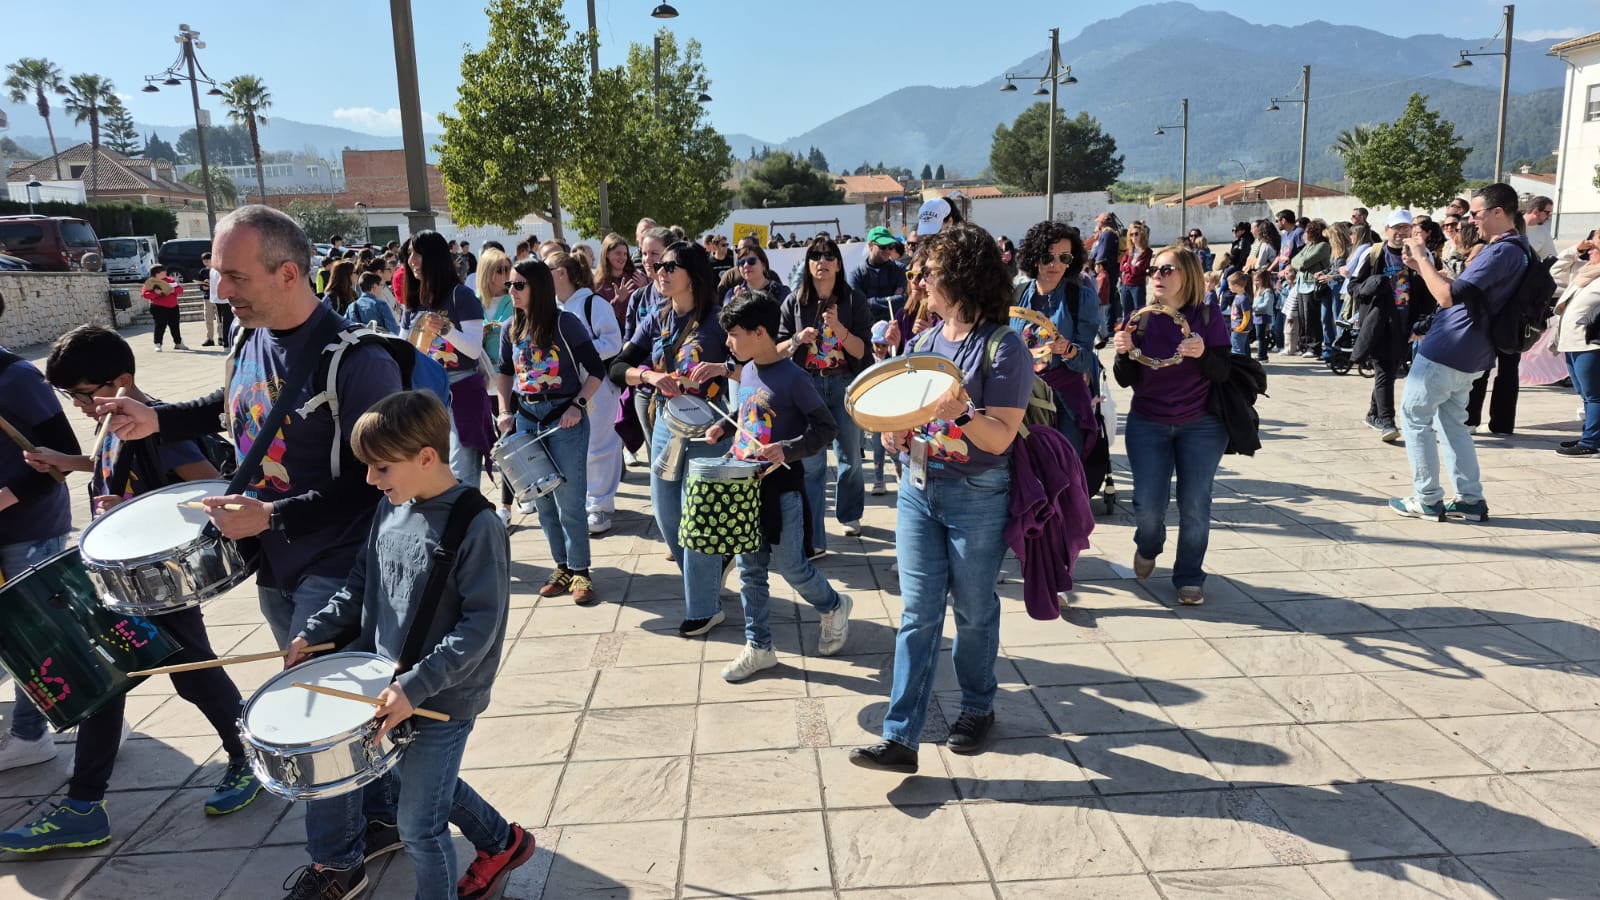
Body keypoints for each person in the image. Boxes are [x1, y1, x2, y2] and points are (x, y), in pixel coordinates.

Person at [94, 206, 407, 897]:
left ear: (287, 273)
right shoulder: (250, 335)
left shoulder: (360, 364)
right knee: (340, 707)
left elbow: (375, 487)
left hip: (343, 565)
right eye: (216, 270)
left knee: (313, 716)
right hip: (275, 560)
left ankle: (337, 864)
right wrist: (157, 417)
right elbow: (235, 407)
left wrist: (270, 514)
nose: (219, 286)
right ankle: (384, 818)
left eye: (233, 274)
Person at [0, 326, 263, 851]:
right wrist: (71, 462)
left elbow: (211, 488)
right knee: (106, 683)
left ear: (122, 381)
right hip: (123, 580)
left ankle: (248, 759)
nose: (78, 405)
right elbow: (113, 471)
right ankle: (85, 806)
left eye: (82, 393)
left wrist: (139, 512)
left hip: (159, 581)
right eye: (70, 396)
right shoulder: (114, 425)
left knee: (193, 676)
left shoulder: (164, 428)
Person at [284, 391, 534, 900]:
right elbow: (360, 582)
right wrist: (317, 631)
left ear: (426, 457)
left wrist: (416, 686)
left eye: (381, 468)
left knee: (419, 826)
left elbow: (478, 627)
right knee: (421, 787)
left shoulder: (477, 524)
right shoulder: (389, 509)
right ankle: (502, 842)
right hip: (384, 687)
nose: (372, 481)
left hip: (443, 698)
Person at [849, 223, 1030, 773]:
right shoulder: (923, 343)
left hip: (977, 493)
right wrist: (893, 434)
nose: (920, 278)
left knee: (973, 611)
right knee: (917, 614)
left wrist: (965, 414)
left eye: (930, 270)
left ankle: (977, 707)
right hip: (918, 490)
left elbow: (1000, 437)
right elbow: (908, 417)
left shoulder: (1004, 348)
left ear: (961, 276)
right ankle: (901, 736)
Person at [704, 291, 852, 682]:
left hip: (782, 488)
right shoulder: (748, 369)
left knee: (792, 566)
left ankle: (834, 605)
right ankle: (759, 647)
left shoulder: (794, 377)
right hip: (744, 485)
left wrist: (787, 449)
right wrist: (725, 423)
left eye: (734, 334)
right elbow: (750, 408)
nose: (729, 343)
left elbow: (825, 428)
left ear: (761, 332)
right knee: (751, 571)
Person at [609, 241, 733, 635]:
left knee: (696, 520)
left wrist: (721, 368)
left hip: (710, 431)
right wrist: (647, 376)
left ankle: (704, 606)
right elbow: (618, 367)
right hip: (666, 426)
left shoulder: (719, 319)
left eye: (670, 266)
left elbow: (752, 364)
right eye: (658, 266)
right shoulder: (657, 319)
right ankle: (709, 576)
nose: (660, 272)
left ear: (693, 274)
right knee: (667, 518)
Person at [1390, 183, 1531, 522]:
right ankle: (1469, 498)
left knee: (1415, 418)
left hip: (1449, 347)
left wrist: (1422, 258)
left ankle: (1427, 498)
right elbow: (1462, 289)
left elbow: (1446, 298)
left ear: (1499, 212)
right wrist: (1422, 266)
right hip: (1474, 352)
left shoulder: (1501, 251)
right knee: (1453, 423)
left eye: (1476, 213)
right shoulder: (1519, 248)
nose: (1471, 220)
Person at [1111, 244, 1232, 605]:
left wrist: (1203, 354)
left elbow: (1222, 372)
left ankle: (1190, 576)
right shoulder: (1141, 317)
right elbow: (1124, 379)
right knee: (1148, 503)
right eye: (1155, 271)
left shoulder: (1209, 317)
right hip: (1148, 421)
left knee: (1195, 502)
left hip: (1202, 424)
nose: (1157, 276)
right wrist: (1122, 351)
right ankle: (1149, 544)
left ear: (1187, 275)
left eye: (1167, 270)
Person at [0, 294, 81, 773]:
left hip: (29, 530)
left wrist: (5, 496)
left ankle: (32, 735)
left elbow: (63, 454)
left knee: (34, 638)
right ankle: (99, 715)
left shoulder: (17, 378)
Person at [776, 234, 873, 553]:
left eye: (829, 256)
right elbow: (777, 348)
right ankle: (815, 536)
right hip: (808, 386)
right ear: (807, 264)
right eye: (815, 256)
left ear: (839, 263)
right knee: (812, 463)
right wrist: (796, 341)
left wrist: (840, 329)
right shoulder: (795, 301)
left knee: (850, 456)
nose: (822, 262)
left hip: (844, 382)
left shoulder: (853, 299)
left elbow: (862, 349)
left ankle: (849, 514)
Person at [402, 230, 496, 487]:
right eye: (409, 254)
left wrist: (445, 329)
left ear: (433, 257)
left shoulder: (461, 295)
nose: (411, 261)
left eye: (417, 254)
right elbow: (404, 349)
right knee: (431, 473)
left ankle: (464, 524)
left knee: (460, 474)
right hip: (425, 394)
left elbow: (474, 350)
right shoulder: (414, 302)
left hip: (461, 392)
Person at [548, 250, 624, 536]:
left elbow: (613, 342)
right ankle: (584, 501)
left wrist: (578, 353)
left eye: (548, 270)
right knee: (573, 446)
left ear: (561, 273)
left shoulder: (593, 303)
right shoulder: (552, 306)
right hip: (564, 386)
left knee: (601, 444)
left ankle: (601, 506)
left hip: (597, 384)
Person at [1012, 220, 1101, 456]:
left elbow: (1084, 360)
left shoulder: (1081, 297)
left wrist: (1068, 350)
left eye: (1065, 258)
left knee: (1065, 471)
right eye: (1048, 257)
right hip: (1021, 396)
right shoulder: (1016, 294)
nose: (1056, 264)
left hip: (1066, 401)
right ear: (1033, 256)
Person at [1348, 209, 1435, 444]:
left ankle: (1372, 413)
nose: (1400, 232)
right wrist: (1373, 284)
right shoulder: (1373, 253)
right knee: (1385, 369)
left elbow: (1430, 290)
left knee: (1390, 370)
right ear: (1386, 230)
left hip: (1407, 323)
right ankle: (1387, 421)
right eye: (1396, 228)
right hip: (1379, 323)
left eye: (1405, 228)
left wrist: (1423, 324)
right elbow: (1353, 286)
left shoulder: (1421, 254)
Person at [476, 249, 518, 526]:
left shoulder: (514, 299)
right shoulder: (475, 302)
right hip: (480, 379)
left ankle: (506, 503)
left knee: (509, 442)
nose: (505, 276)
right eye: (499, 270)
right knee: (489, 444)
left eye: (507, 269)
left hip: (507, 378)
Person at [1553, 250, 1600, 456]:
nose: (1590, 251)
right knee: (1585, 394)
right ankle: (1588, 435)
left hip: (1590, 343)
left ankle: (1591, 442)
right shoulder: (1587, 274)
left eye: (1596, 247)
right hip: (1572, 342)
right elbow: (1554, 271)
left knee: (1595, 395)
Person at [1289, 219, 1331, 357]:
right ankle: (1304, 345)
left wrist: (1299, 263)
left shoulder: (1323, 246)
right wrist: (1298, 263)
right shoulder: (1309, 245)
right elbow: (1294, 260)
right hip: (1301, 284)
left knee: (1311, 317)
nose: (1304, 234)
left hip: (1312, 285)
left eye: (1307, 231)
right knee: (1302, 317)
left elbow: (1304, 263)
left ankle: (1314, 347)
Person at [849, 226, 908, 323]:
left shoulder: (900, 269)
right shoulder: (856, 274)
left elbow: (903, 300)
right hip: (866, 329)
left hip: (895, 327)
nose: (887, 251)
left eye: (890, 246)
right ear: (870, 246)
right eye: (883, 247)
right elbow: (857, 304)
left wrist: (871, 302)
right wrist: (889, 301)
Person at [723, 244, 790, 307]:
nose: (746, 265)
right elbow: (725, 318)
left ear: (763, 264)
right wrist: (735, 305)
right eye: (741, 262)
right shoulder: (732, 294)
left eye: (752, 261)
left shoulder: (781, 292)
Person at [142, 264, 188, 352]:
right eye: (163, 271)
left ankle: (178, 343)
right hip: (158, 307)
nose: (165, 272)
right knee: (160, 326)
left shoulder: (170, 280)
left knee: (175, 326)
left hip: (173, 307)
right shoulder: (150, 282)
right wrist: (156, 293)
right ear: (157, 273)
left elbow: (180, 290)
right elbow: (145, 294)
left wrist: (172, 290)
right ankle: (158, 344)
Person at [1118, 222, 1152, 320]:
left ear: (1142, 235)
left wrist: (1127, 267)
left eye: (1136, 234)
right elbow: (1121, 266)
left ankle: (1140, 333)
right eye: (1131, 234)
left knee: (1139, 312)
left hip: (1137, 285)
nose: (1134, 237)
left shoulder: (1147, 252)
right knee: (1127, 313)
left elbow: (1137, 270)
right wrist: (1131, 265)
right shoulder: (1129, 251)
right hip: (1125, 284)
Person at [1251, 269, 1276, 361]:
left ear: (1264, 279)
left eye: (1257, 280)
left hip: (1263, 316)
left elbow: (1267, 304)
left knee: (1261, 337)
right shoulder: (1258, 291)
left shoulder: (1267, 291)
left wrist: (1254, 307)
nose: (1255, 282)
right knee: (1259, 336)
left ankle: (1262, 356)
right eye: (1254, 280)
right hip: (1257, 316)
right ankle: (1261, 354)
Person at [1227, 271, 1253, 356]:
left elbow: (1247, 315)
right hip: (1236, 326)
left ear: (1236, 286)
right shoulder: (1238, 296)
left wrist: (1241, 327)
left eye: (1230, 285)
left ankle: (1238, 367)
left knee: (1237, 350)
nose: (1229, 287)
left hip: (1239, 328)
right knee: (1242, 348)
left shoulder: (1243, 298)